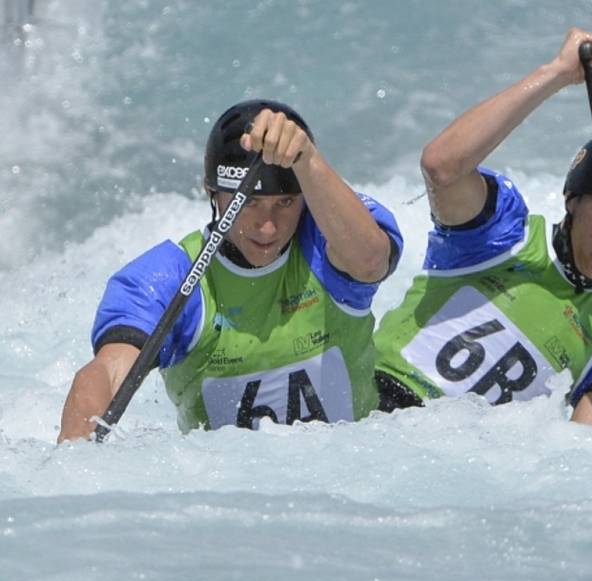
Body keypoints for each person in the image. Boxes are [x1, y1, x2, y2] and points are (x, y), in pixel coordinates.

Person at [373, 28, 592, 446]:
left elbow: (581, 452)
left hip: (453, 463)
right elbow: (441, 166)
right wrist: (556, 74)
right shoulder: (502, 234)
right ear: (571, 201)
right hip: (371, 411)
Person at [59, 99, 403, 441]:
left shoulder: (327, 240)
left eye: (285, 203)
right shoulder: (171, 277)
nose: (268, 228)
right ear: (212, 194)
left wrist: (307, 159)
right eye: (250, 203)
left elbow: (371, 261)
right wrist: (77, 458)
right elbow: (107, 371)